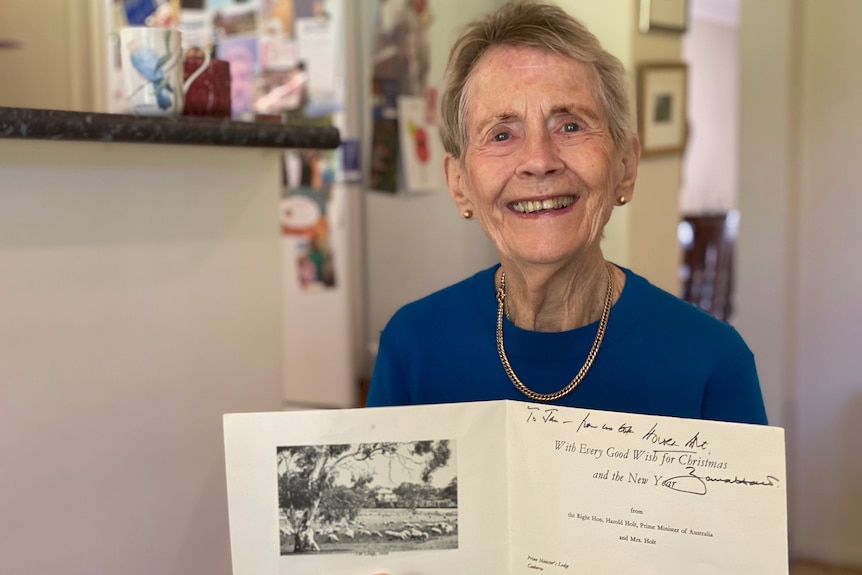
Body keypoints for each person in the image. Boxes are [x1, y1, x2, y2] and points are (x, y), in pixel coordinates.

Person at [365, 1, 767, 426]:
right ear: (460, 184)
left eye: (570, 126)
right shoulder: (412, 348)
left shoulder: (713, 362)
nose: (539, 160)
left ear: (624, 168)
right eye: (501, 134)